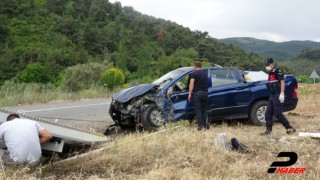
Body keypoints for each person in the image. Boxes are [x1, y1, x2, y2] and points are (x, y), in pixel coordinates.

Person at [261, 58, 296, 135]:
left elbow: (282, 82)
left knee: (278, 114)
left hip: (278, 95)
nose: (267, 66)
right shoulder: (270, 73)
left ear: (272, 64)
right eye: (266, 65)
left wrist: (282, 93)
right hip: (272, 95)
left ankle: (289, 128)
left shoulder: (277, 71)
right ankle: (268, 131)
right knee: (268, 114)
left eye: (268, 65)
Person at [188, 60, 209, 130]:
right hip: (205, 93)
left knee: (198, 111)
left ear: (195, 66)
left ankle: (200, 127)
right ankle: (206, 126)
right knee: (204, 110)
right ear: (200, 66)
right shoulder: (205, 73)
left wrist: (190, 94)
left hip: (197, 94)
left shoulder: (193, 74)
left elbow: (191, 84)